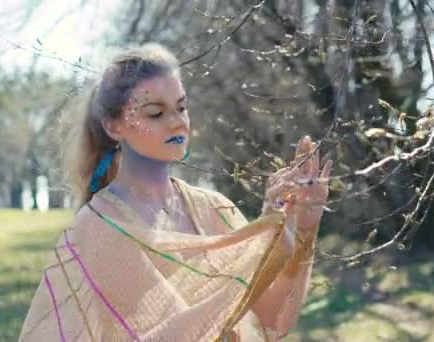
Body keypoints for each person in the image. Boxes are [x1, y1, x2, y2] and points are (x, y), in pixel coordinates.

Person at [18, 44, 332, 342]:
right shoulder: (99, 228)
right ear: (114, 127)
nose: (177, 123)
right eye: (155, 113)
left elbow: (273, 319)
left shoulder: (214, 208)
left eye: (181, 108)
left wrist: (301, 230)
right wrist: (263, 247)